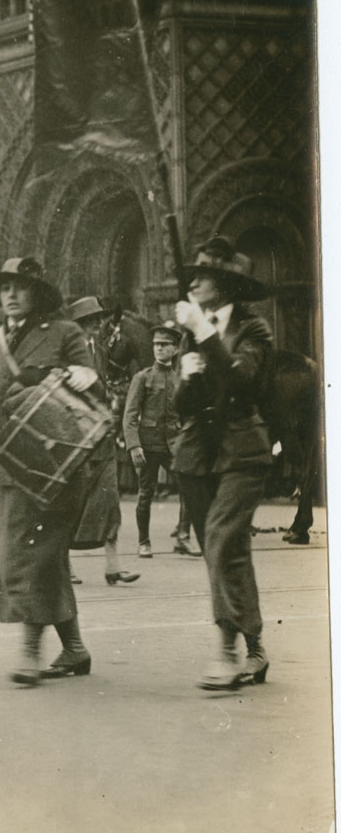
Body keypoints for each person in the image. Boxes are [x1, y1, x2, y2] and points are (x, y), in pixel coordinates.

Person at [0, 257, 98, 686]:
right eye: (5, 288)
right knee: (26, 560)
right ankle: (74, 648)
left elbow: (93, 385)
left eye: (20, 287)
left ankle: (31, 652)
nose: (11, 295)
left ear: (36, 294)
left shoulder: (66, 334)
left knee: (26, 558)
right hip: (6, 466)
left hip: (55, 465)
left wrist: (83, 376)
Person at [172, 236, 274, 691]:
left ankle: (226, 653)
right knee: (227, 552)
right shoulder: (191, 329)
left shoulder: (254, 329)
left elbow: (243, 381)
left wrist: (206, 335)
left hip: (241, 450)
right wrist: (187, 378)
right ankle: (255, 649)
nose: (193, 279)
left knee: (218, 541)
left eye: (204, 274)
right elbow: (181, 405)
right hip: (198, 455)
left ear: (227, 285)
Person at [67, 296, 139, 587]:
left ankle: (113, 566)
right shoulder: (69, 353)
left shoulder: (99, 348)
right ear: (80, 324)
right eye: (92, 320)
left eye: (98, 319)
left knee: (109, 500)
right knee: (71, 504)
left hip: (102, 435)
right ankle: (64, 564)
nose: (98, 324)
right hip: (77, 437)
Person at [122, 322, 194, 559]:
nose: (159, 349)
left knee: (188, 489)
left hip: (174, 444)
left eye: (164, 345)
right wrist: (134, 445)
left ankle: (183, 537)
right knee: (146, 493)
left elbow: (187, 413)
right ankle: (144, 542)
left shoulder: (179, 378)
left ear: (174, 349)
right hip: (148, 445)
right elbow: (130, 415)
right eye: (156, 345)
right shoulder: (142, 377)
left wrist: (186, 436)